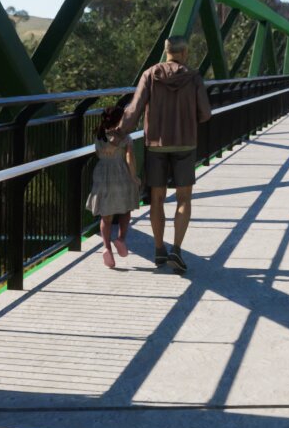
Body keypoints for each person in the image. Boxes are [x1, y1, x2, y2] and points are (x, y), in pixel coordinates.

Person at [121, 37, 213, 274]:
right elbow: (205, 114)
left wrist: (119, 132)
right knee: (183, 199)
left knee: (157, 198)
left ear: (166, 51)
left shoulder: (150, 75)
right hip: (185, 145)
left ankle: (159, 248)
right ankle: (177, 250)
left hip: (156, 145)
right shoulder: (193, 77)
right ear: (185, 53)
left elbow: (134, 108)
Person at [85, 104, 138, 269]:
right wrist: (134, 177)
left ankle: (106, 247)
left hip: (102, 173)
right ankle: (121, 239)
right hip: (121, 173)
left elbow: (99, 153)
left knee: (105, 215)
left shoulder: (99, 136)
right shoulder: (125, 137)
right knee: (126, 209)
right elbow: (129, 157)